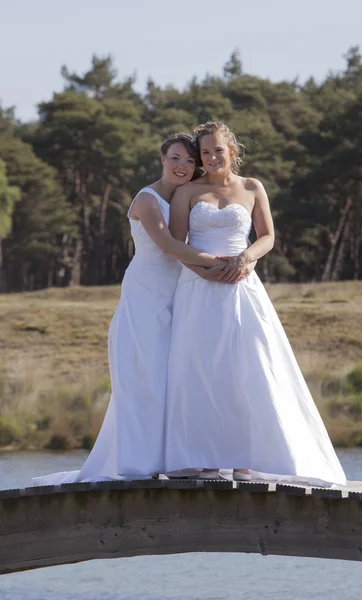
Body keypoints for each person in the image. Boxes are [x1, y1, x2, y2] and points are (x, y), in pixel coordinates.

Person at [33, 133, 225, 485]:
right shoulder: (147, 199)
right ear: (162, 158)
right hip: (146, 294)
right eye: (177, 158)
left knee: (176, 378)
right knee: (145, 376)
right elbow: (167, 245)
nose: (183, 166)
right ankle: (139, 463)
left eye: (189, 161)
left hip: (180, 293)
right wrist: (220, 262)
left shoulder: (187, 197)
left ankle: (179, 458)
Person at [164, 121, 347, 487]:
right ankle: (207, 459)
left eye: (218, 149)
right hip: (198, 288)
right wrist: (204, 271)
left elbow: (268, 236)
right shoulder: (187, 192)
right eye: (205, 152)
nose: (212, 157)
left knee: (248, 367)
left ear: (232, 150)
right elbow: (175, 244)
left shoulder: (252, 187)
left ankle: (246, 458)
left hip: (241, 287)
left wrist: (245, 259)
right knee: (201, 369)